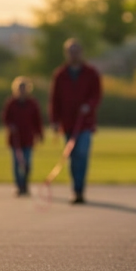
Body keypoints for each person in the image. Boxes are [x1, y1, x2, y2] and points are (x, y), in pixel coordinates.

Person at [49, 38, 102, 204]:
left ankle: (79, 190)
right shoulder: (60, 75)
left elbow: (97, 95)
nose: (74, 54)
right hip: (67, 123)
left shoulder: (91, 73)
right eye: (70, 52)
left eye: (76, 51)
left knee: (82, 154)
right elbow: (54, 100)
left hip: (85, 123)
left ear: (81, 52)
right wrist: (54, 120)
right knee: (72, 157)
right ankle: (75, 189)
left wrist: (89, 106)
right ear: (66, 53)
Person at [1, 76, 44, 197]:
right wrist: (10, 126)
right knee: (16, 163)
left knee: (27, 162)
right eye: (20, 88)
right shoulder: (11, 103)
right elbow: (5, 118)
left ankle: (25, 184)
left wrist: (40, 134)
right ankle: (19, 186)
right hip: (15, 139)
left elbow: (37, 120)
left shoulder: (32, 104)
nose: (22, 90)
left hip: (28, 138)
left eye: (24, 88)